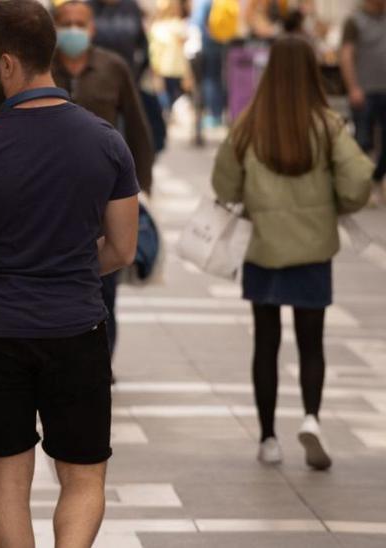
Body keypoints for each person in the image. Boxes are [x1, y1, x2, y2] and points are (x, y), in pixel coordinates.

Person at [0, 1, 138, 546]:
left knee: (8, 483)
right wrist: (66, 267)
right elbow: (122, 247)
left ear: (7, 63)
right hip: (77, 327)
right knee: (83, 475)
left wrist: (8, 269)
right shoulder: (106, 142)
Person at [212, 36, 374, 471]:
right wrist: (337, 205)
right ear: (310, 71)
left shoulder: (248, 125)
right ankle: (312, 419)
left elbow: (223, 186)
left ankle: (267, 438)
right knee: (311, 342)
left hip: (262, 249)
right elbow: (359, 181)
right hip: (312, 249)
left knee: (266, 343)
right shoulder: (327, 125)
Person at [52, 0, 153, 367]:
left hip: (104, 194)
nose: (75, 30)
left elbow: (138, 126)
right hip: (51, 192)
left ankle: (101, 360)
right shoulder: (44, 68)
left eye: (81, 23)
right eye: (67, 23)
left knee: (105, 279)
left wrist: (144, 181)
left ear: (92, 29)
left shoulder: (113, 67)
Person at [340, 0, 386, 190]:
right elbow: (346, 55)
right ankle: (361, 184)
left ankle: (378, 178)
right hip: (364, 90)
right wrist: (353, 87)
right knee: (363, 140)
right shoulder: (354, 20)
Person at [149, 0, 190, 114]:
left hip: (173, 70)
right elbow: (154, 52)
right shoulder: (163, 27)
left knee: (176, 102)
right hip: (167, 70)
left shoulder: (174, 25)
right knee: (169, 102)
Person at [86, 0, 148, 75]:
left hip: (127, 73)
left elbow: (141, 41)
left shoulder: (131, 6)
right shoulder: (88, 7)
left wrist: (138, 71)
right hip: (96, 74)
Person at [191, 0, 227, 128]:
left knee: (208, 80)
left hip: (206, 45)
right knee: (217, 79)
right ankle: (217, 112)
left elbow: (196, 23)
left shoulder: (202, 2)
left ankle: (212, 114)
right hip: (220, 43)